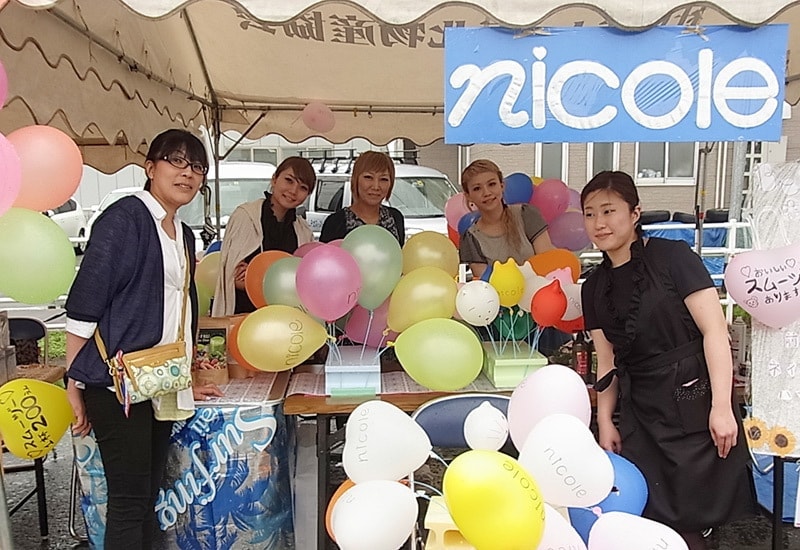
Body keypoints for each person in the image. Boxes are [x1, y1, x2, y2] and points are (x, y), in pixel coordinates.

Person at [65, 129, 224, 549]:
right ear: (150, 168)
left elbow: (177, 310)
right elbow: (85, 304)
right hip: (116, 381)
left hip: (158, 378)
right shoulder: (125, 219)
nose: (187, 173)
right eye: (176, 161)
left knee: (148, 494)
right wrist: (74, 380)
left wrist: (186, 375)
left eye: (197, 166)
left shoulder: (183, 233)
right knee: (129, 500)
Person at [580, 171, 754, 550]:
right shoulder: (593, 286)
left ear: (635, 213)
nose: (599, 223)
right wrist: (605, 420)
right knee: (647, 511)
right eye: (590, 214)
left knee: (693, 514)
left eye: (608, 211)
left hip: (693, 397)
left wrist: (722, 407)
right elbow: (606, 361)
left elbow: (714, 331)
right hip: (639, 409)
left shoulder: (673, 257)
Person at [212, 157, 316, 316]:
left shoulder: (303, 230)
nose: (293, 191)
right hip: (245, 315)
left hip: (287, 318)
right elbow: (231, 275)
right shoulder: (246, 216)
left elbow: (305, 281)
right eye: (289, 180)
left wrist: (255, 277)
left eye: (303, 188)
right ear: (274, 179)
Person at [458, 159, 555, 279]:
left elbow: (547, 262)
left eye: (492, 184)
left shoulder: (526, 214)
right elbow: (486, 282)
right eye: (477, 188)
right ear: (468, 196)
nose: (486, 193)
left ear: (502, 186)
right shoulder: (470, 238)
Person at [319, 150, 405, 245]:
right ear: (355, 179)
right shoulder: (335, 222)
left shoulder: (395, 217)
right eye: (368, 177)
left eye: (383, 179)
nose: (376, 186)